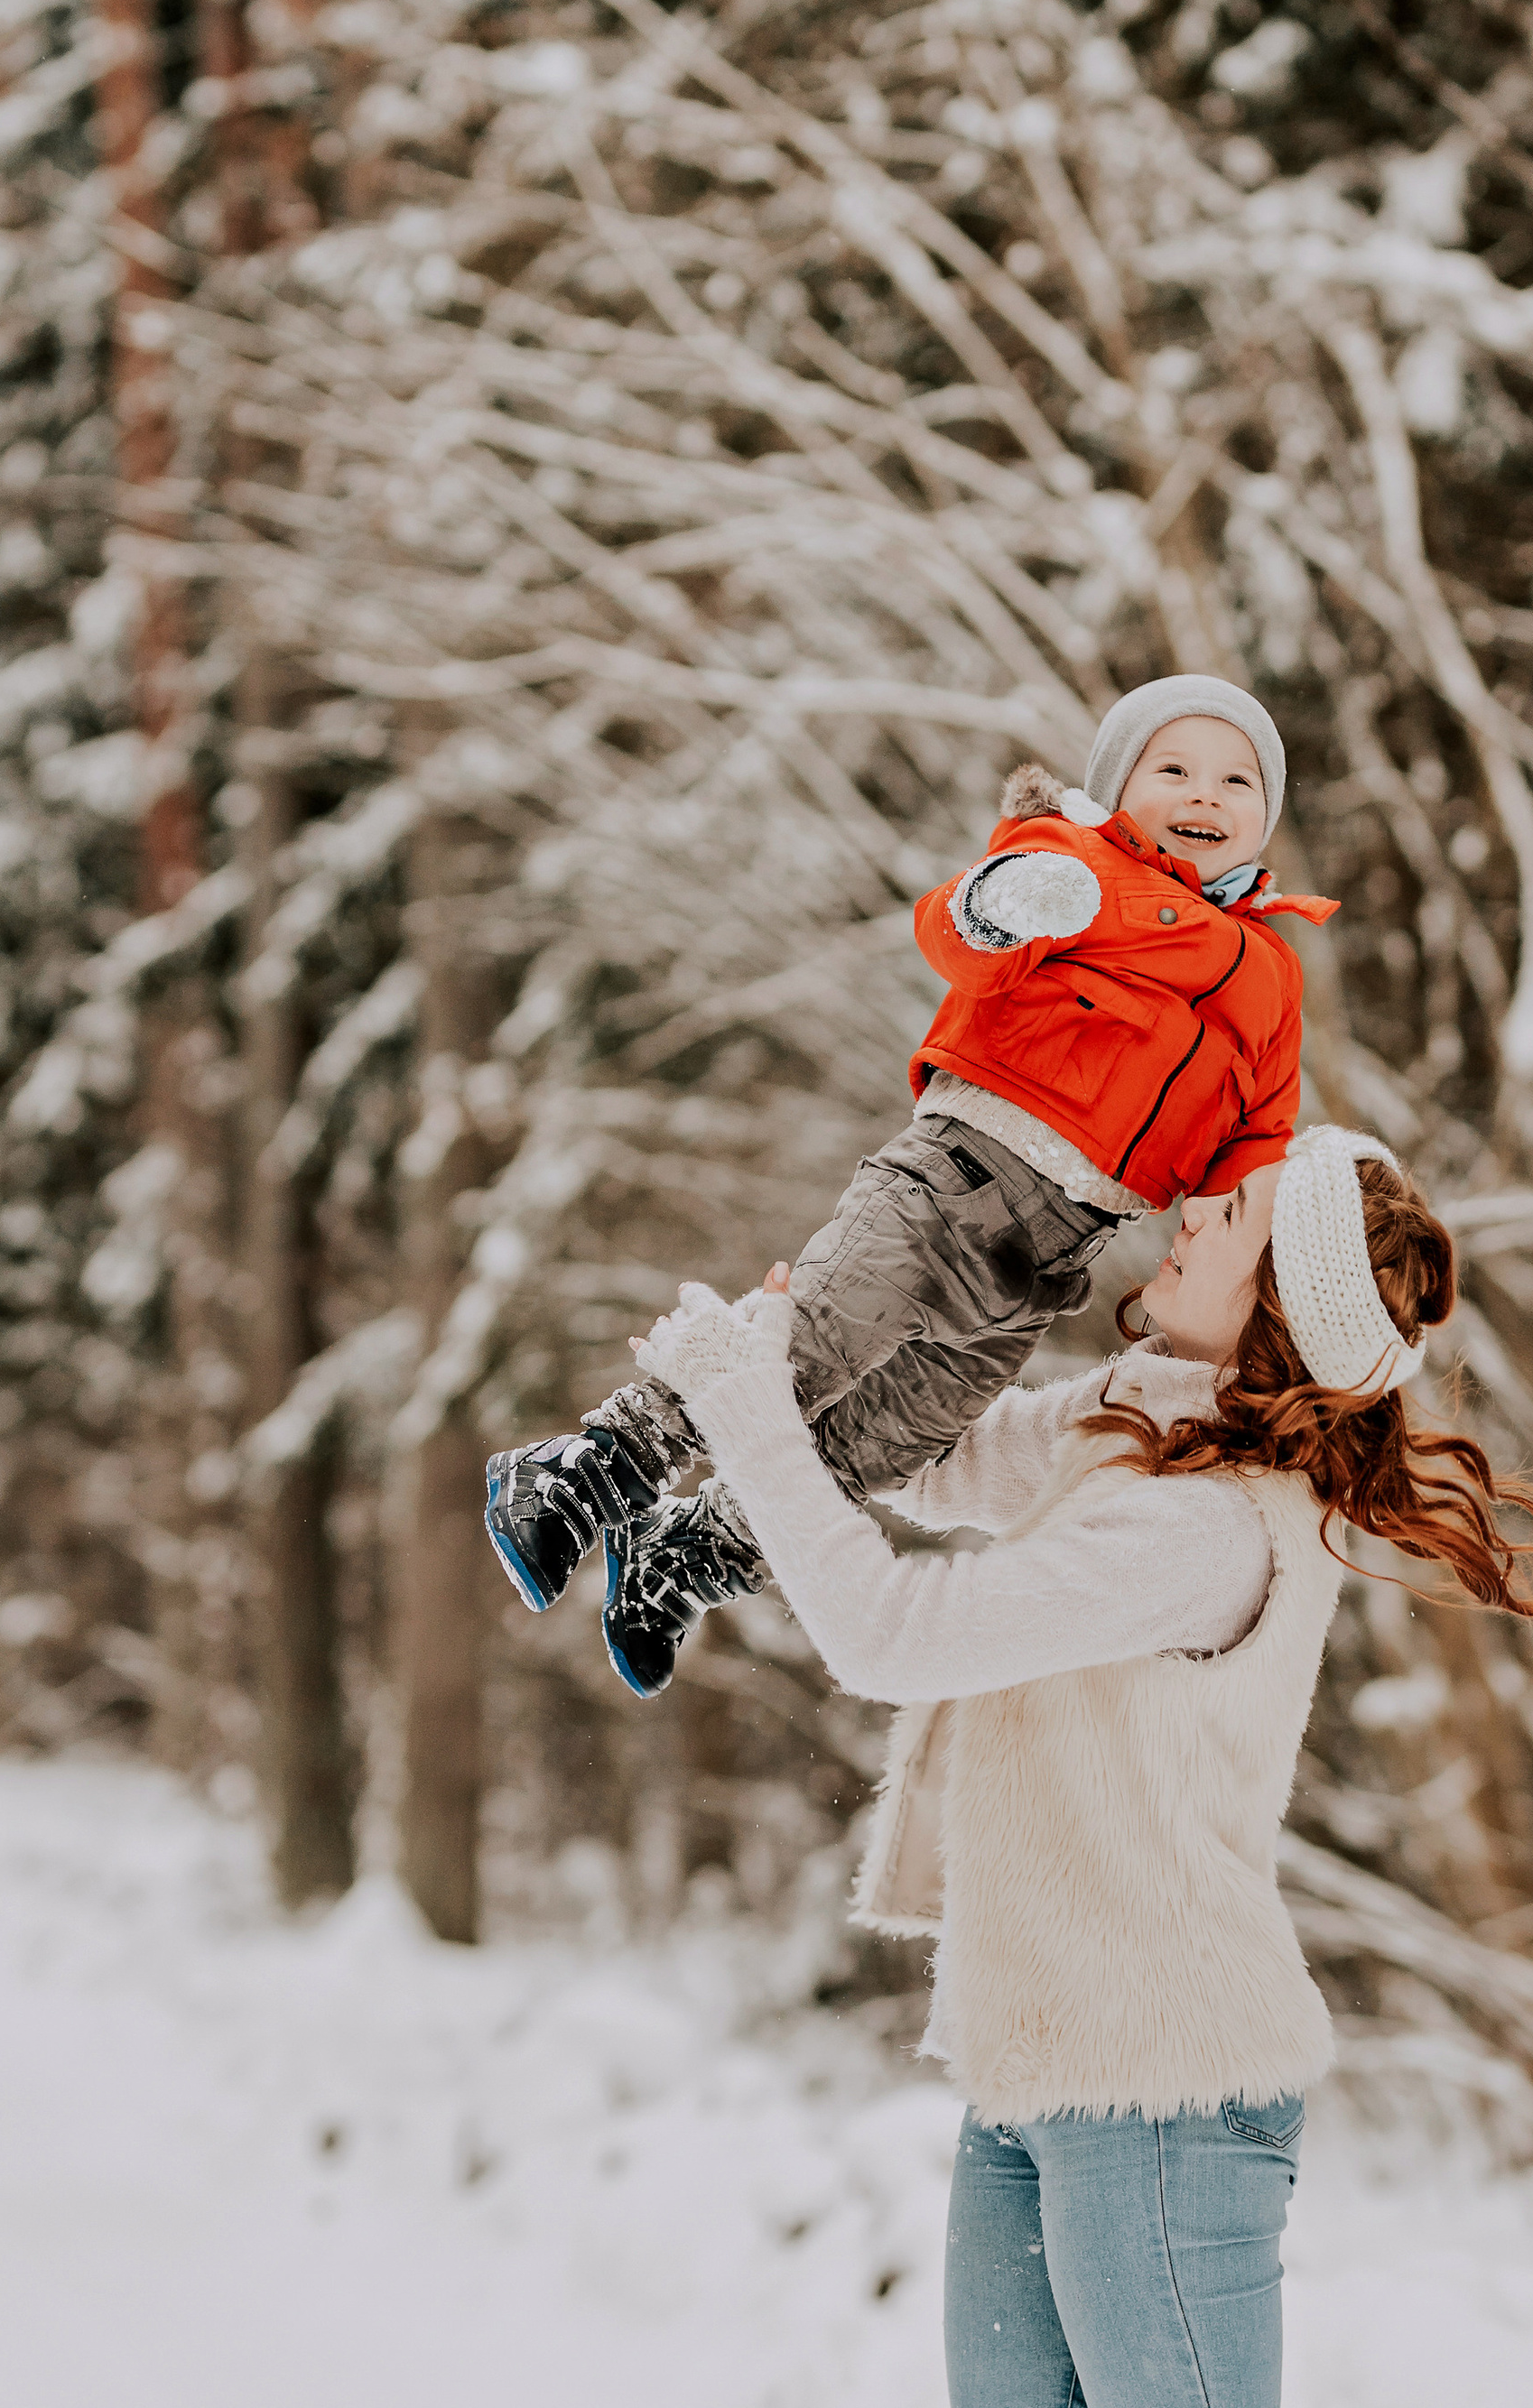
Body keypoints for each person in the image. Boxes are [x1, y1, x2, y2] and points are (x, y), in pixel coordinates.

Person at [627, 1124, 1533, 2408]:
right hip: (1031, 2058)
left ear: (1274, 1316)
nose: (1191, 1208)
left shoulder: (1205, 1527)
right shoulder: (1134, 1437)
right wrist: (838, 1343)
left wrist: (729, 1401)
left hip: (1161, 2078)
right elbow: (935, 1459)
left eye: (1233, 1217)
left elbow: (890, 1629)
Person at [482, 674, 1338, 1696]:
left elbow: (1256, 1133)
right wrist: (995, 909)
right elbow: (952, 933)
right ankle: (591, 1469)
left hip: (1053, 1257)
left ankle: (693, 1555)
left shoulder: (1272, 976)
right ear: (1118, 790)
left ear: (1263, 817)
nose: (1206, 794)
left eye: (1236, 779)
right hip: (953, 1181)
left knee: (900, 1430)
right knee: (811, 1345)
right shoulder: (1076, 864)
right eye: (1175, 769)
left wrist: (1250, 1244)